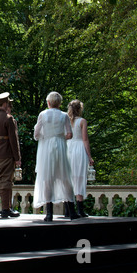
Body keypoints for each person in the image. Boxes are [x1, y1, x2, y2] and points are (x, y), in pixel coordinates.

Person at [33, 92, 79, 221]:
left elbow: (36, 134)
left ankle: (49, 213)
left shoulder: (42, 114)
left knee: (48, 178)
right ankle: (72, 211)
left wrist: (46, 136)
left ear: (48, 102)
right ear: (59, 103)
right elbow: (69, 134)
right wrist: (59, 137)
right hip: (60, 147)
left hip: (47, 148)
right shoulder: (64, 116)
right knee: (65, 177)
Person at [67, 99, 94, 217]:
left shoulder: (66, 120)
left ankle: (68, 209)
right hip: (79, 149)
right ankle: (80, 209)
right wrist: (90, 156)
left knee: (68, 178)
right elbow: (85, 139)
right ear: (80, 109)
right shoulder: (82, 121)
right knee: (79, 177)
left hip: (68, 148)